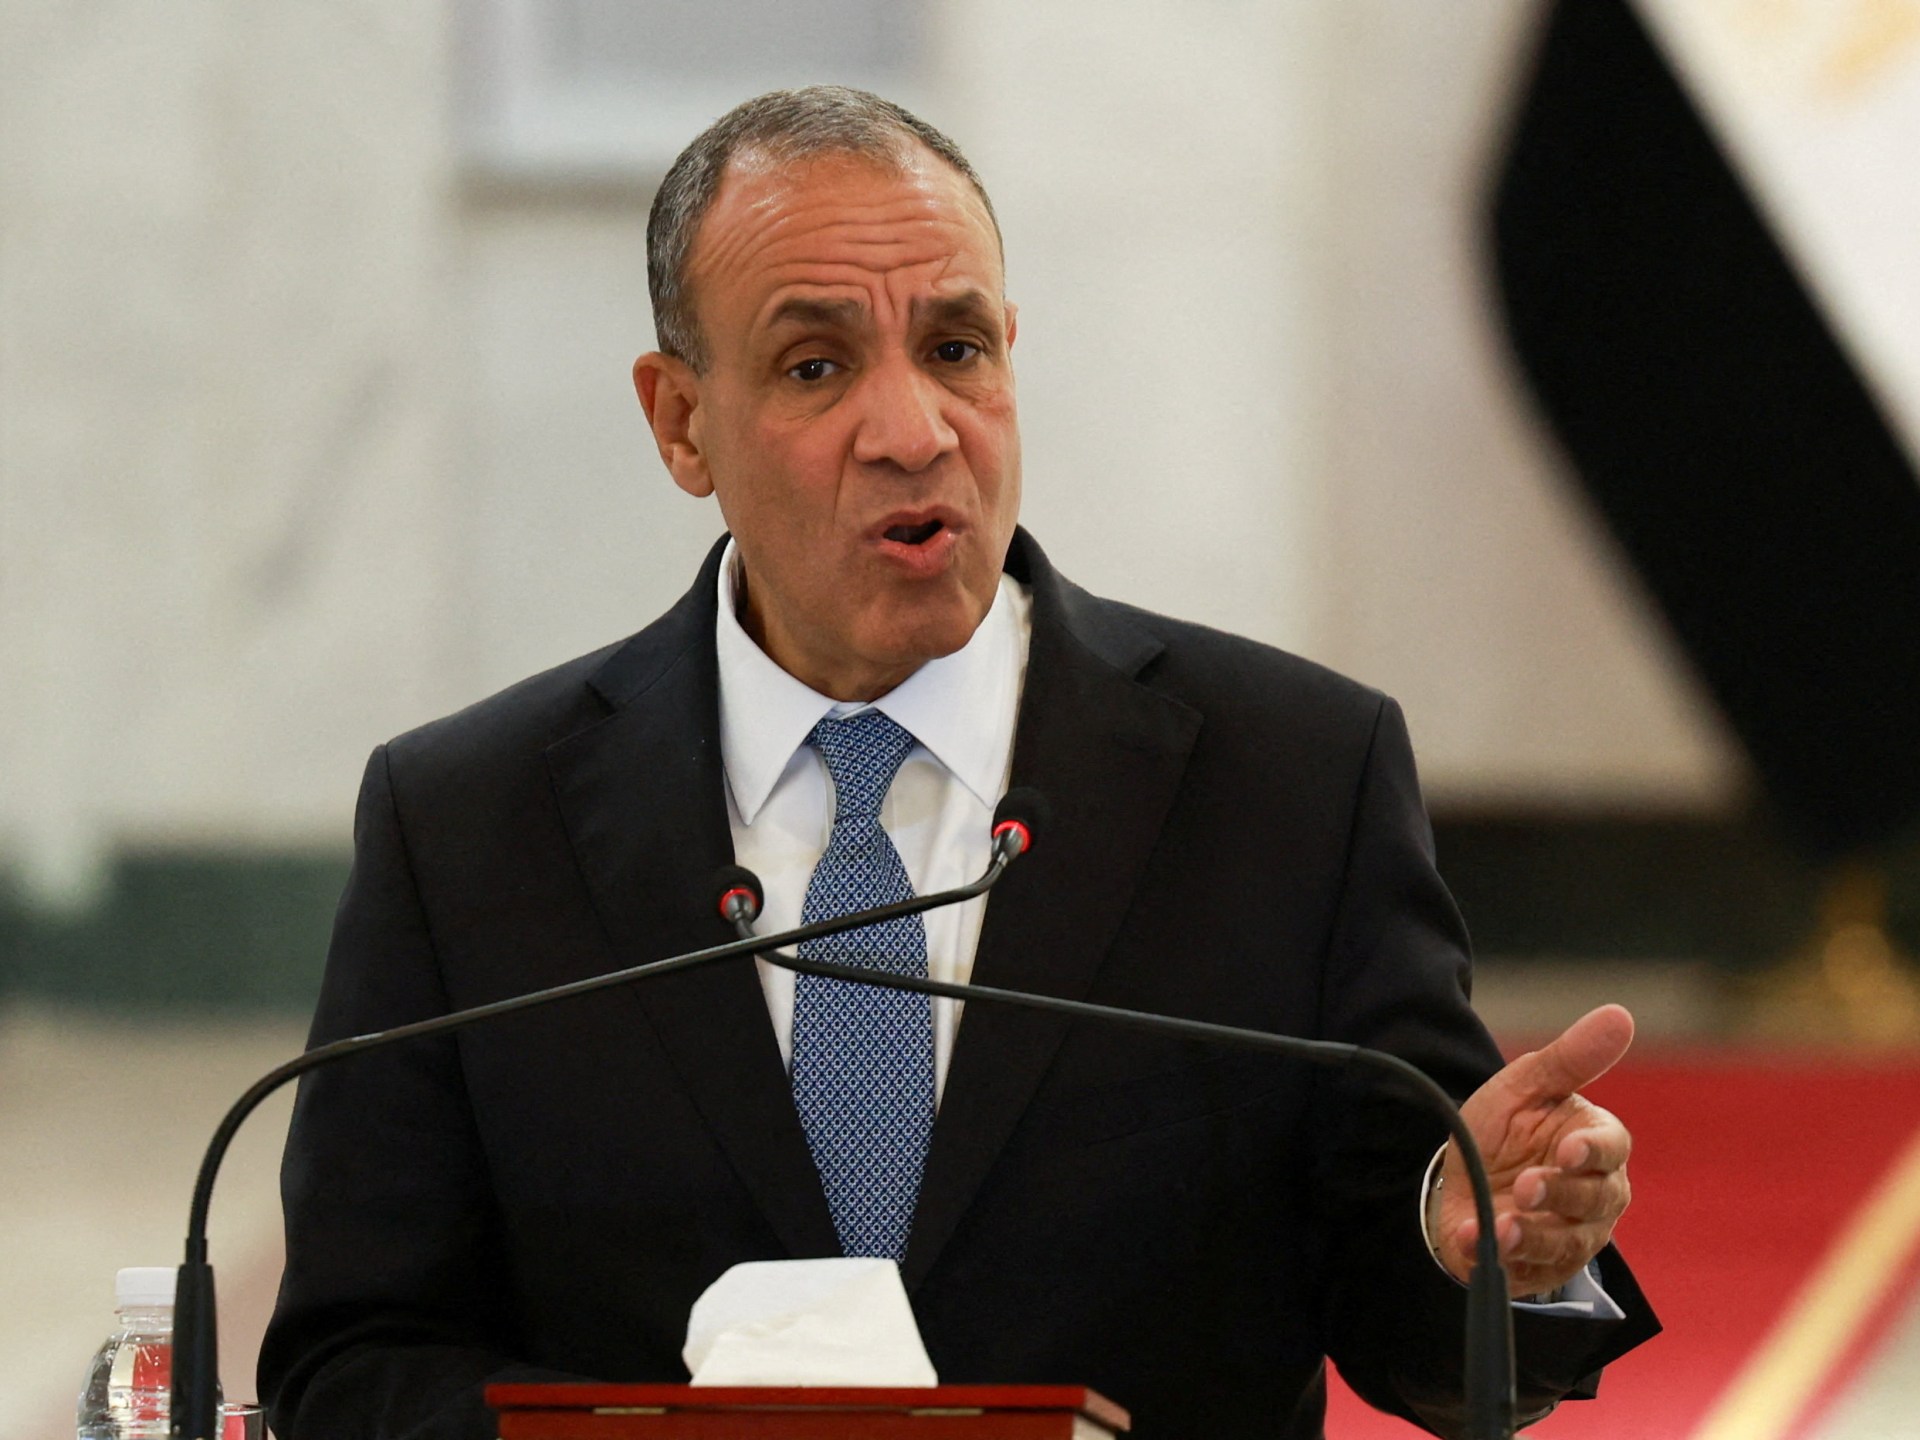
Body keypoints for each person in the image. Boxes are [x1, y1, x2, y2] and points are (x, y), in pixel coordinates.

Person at [260, 87, 1658, 1440]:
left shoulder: (1289, 776)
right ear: (681, 421)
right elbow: (357, 1359)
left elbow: (1416, 1294)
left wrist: (1476, 1251)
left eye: (956, 349)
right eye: (816, 367)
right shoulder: (470, 827)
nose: (914, 432)